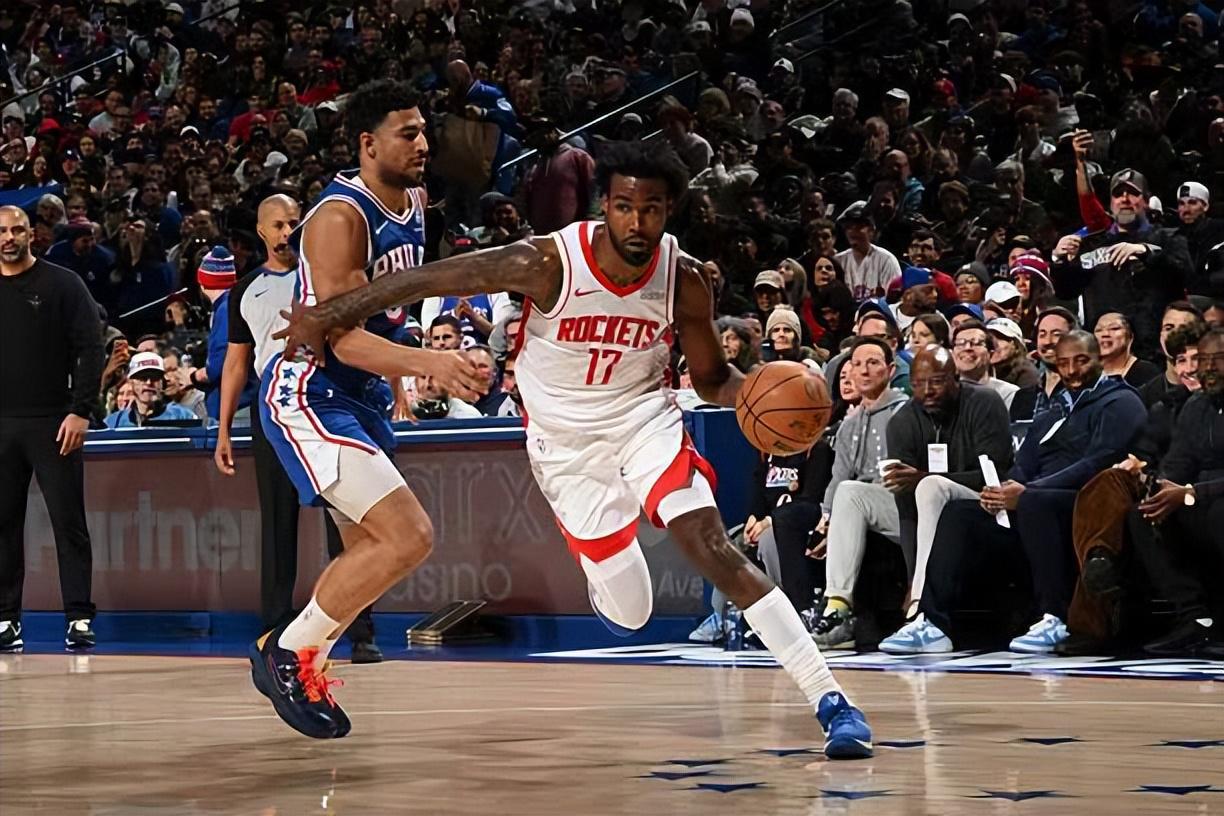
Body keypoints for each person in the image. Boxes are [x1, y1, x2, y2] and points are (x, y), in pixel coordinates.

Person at [275, 140, 875, 759]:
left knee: (709, 544)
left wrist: (749, 391)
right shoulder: (547, 262)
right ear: (604, 207)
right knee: (632, 612)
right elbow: (429, 278)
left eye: (651, 209)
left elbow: (711, 378)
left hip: (643, 421)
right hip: (566, 448)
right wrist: (327, 315)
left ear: (669, 211)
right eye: (624, 207)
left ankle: (831, 702)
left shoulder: (685, 279)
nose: (636, 222)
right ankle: (605, 562)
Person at [248, 80, 487, 740]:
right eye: (408, 133)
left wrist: (400, 373)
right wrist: (429, 362)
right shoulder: (338, 218)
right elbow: (342, 338)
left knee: (371, 559)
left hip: (362, 395)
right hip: (310, 392)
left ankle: (294, 653)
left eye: (424, 131)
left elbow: (390, 307)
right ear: (368, 144)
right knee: (410, 536)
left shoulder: (414, 201)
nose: (423, 143)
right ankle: (287, 654)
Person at [905, 331, 1147, 654]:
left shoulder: (1122, 402)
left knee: (1035, 502)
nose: (1072, 371)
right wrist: (1003, 490)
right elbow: (1025, 463)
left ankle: (1055, 617)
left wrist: (1029, 490)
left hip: (1086, 505)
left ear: (1099, 359)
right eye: (1064, 363)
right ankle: (933, 623)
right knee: (959, 512)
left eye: (1081, 361)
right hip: (1034, 504)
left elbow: (1098, 461)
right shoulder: (1053, 407)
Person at [214, 194, 380, 663]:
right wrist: (224, 429)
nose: (287, 232)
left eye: (294, 223)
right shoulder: (244, 290)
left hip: (327, 402)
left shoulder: (325, 274)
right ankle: (274, 631)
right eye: (278, 225)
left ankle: (360, 631)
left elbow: (363, 336)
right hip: (272, 411)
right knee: (277, 524)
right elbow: (236, 363)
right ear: (261, 232)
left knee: (345, 521)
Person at [0, 205, 103, 652]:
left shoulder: (64, 284)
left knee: (68, 522)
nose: (8, 237)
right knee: (2, 525)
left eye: (17, 229)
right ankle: (5, 620)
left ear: (32, 234)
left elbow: (91, 347)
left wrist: (81, 410)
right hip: (1, 424)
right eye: (1, 231)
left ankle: (79, 616)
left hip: (54, 422)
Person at [877, 346, 1014, 653]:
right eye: (918, 384)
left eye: (937, 382)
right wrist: (911, 575)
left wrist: (924, 477)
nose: (927, 391)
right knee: (851, 492)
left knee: (930, 485)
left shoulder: (984, 402)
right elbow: (906, 507)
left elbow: (995, 474)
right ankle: (837, 607)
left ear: (955, 379)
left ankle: (926, 613)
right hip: (930, 505)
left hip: (988, 503)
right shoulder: (902, 421)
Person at [1127, 328, 1224, 655]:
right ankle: (1195, 619)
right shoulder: (1196, 405)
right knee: (1144, 514)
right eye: (1204, 360)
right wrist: (1160, 487)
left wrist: (1190, 492)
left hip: (1213, 500)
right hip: (1200, 498)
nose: (1208, 368)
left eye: (1218, 359)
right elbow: (1178, 462)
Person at [808, 338, 909, 649]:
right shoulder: (849, 425)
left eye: (873, 363)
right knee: (800, 520)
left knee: (851, 493)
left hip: (903, 504)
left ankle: (837, 604)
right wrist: (826, 520)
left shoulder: (906, 412)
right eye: (857, 364)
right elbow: (837, 477)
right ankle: (819, 612)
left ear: (890, 370)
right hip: (860, 506)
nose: (864, 371)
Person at [102, 353, 200, 428]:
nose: (149, 383)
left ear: (162, 382)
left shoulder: (183, 416)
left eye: (154, 377)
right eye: (143, 378)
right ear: (131, 382)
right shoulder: (114, 422)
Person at [951, 320, 1020, 410]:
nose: (967, 348)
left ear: (990, 354)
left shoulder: (1008, 393)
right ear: (952, 354)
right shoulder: (943, 393)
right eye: (960, 343)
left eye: (976, 343)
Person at [1093, 312, 1161, 387]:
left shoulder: (1147, 372)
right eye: (1099, 330)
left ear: (1130, 336)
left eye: (1114, 328)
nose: (1105, 334)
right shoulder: (1088, 371)